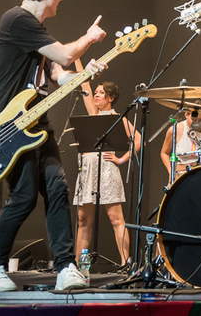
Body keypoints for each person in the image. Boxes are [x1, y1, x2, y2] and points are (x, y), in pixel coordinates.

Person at [0, 0, 107, 292]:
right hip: (9, 127)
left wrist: (85, 75)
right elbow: (65, 55)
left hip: (37, 123)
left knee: (57, 190)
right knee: (23, 197)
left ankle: (65, 268)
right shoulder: (17, 19)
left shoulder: (34, 31)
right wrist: (89, 38)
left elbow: (58, 74)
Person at [72, 59, 141, 266]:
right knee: (83, 220)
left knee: (116, 219)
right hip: (88, 168)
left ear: (110, 98)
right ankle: (79, 265)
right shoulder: (93, 114)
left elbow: (138, 140)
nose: (96, 95)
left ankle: (125, 263)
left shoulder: (117, 118)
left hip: (106, 169)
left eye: (101, 93)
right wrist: (77, 58)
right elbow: (85, 83)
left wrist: (121, 159)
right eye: (96, 92)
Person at [159, 104, 201, 179]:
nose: (196, 122)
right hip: (180, 174)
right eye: (194, 119)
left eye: (200, 120)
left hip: (200, 175)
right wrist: (171, 171)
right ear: (186, 114)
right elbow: (164, 153)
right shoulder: (174, 130)